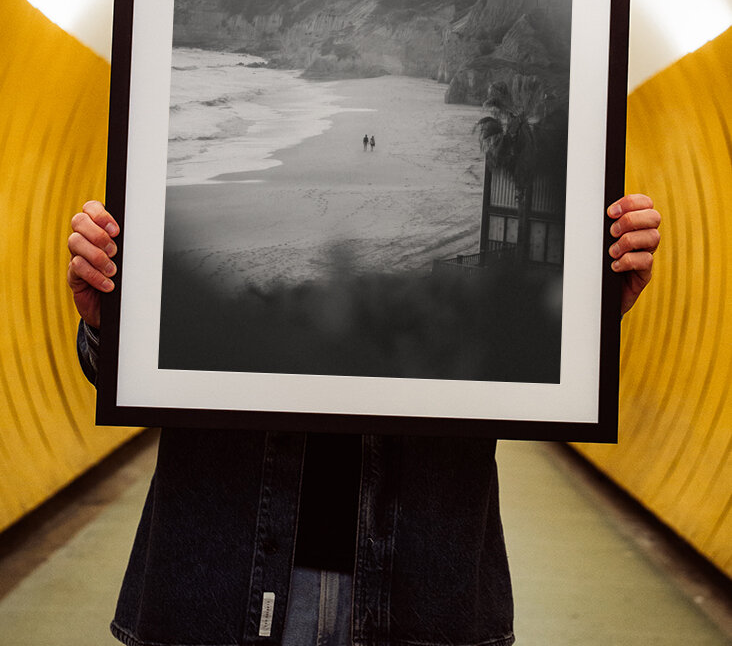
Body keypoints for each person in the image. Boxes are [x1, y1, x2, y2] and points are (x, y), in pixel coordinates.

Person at [68, 194, 660, 646]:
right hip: (219, 581)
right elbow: (126, 373)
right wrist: (109, 323)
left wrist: (588, 319)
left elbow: (514, 361)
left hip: (423, 589)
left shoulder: (436, 316)